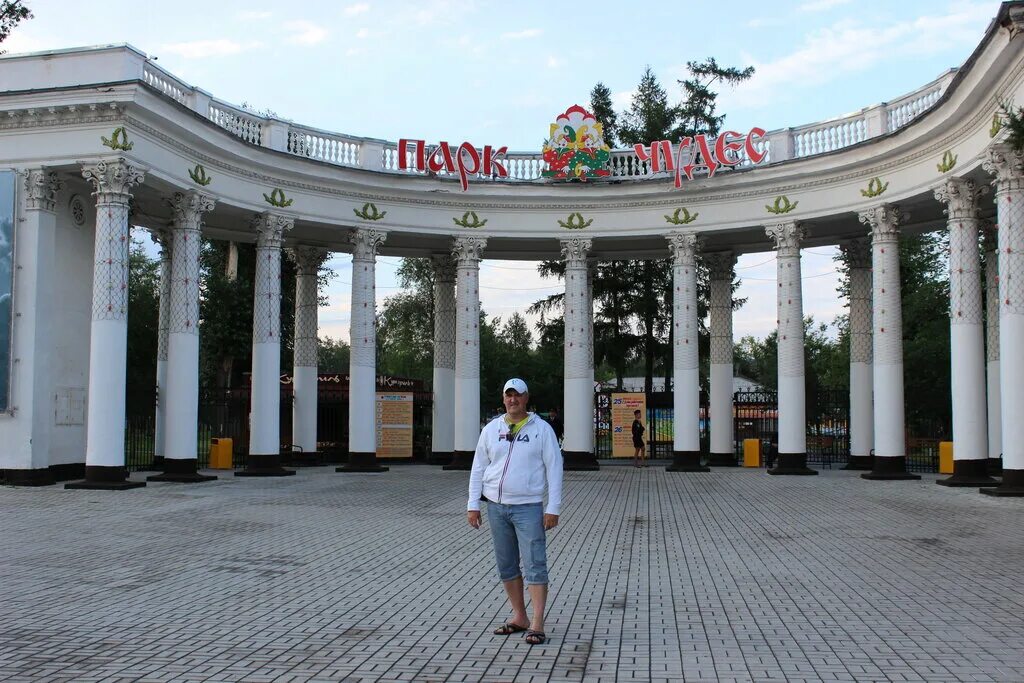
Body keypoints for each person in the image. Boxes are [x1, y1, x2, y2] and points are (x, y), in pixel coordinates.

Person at [466, 378, 563, 646]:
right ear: (503, 399)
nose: (513, 400)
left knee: (535, 563)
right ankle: (519, 616)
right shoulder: (491, 429)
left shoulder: (541, 430)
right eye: (508, 395)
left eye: (518, 395)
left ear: (526, 398)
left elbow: (554, 468)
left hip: (528, 507)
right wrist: (473, 504)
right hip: (496, 507)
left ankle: (537, 622)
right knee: (507, 564)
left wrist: (552, 507)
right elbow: (478, 468)